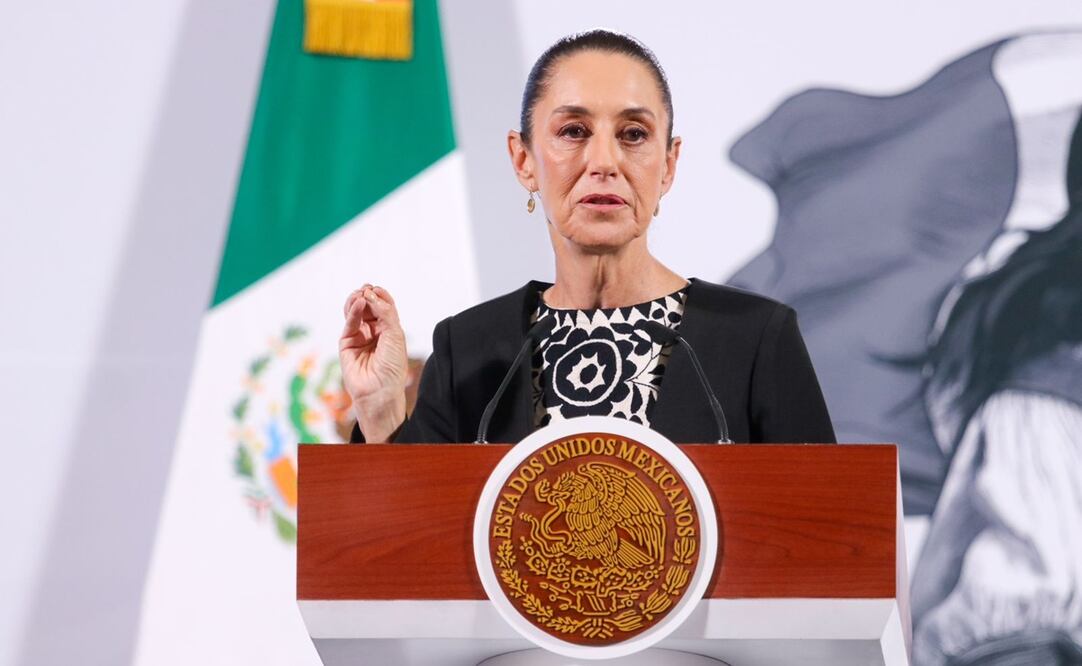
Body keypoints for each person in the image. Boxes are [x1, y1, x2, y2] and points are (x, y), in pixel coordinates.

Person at [339, 29, 836, 445]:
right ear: (523, 160)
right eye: (574, 131)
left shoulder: (755, 340)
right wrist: (380, 414)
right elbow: (408, 542)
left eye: (634, 134)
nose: (604, 162)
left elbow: (825, 543)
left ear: (668, 165)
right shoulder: (470, 350)